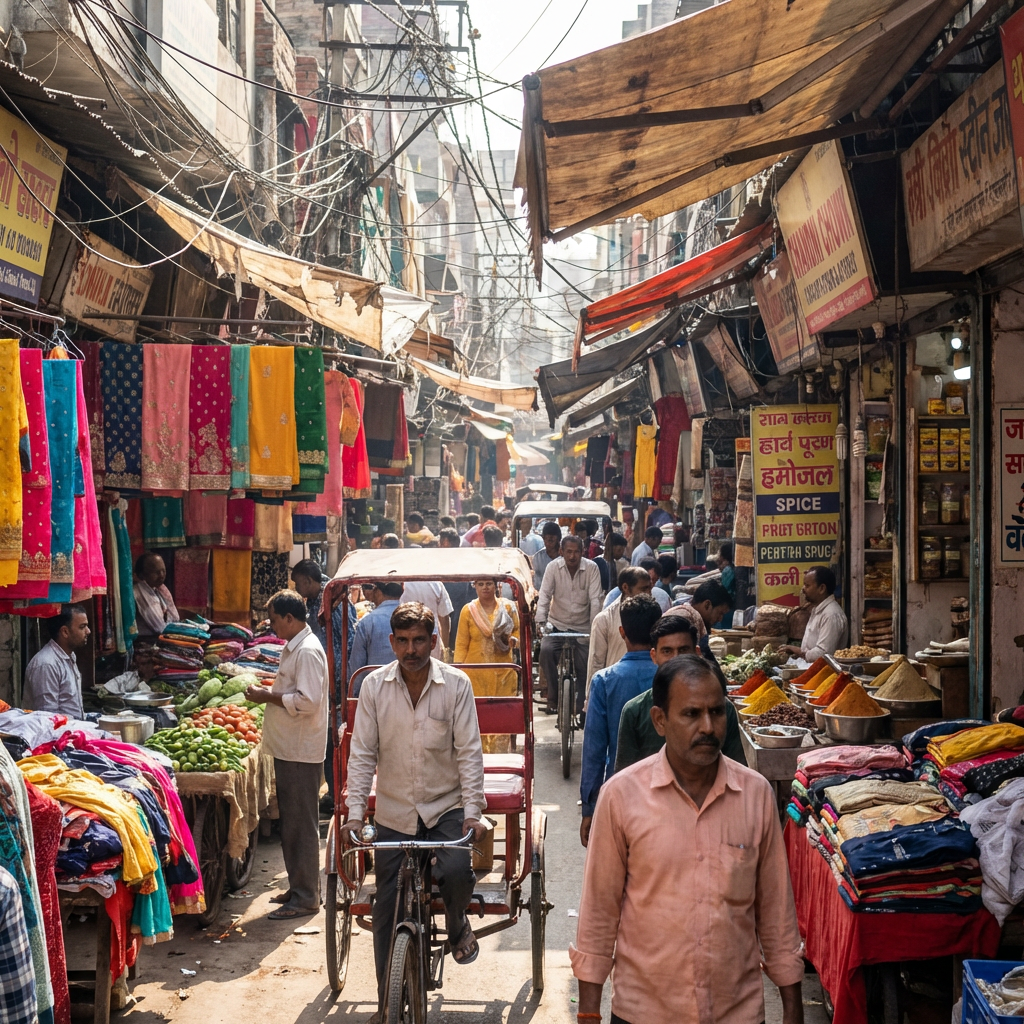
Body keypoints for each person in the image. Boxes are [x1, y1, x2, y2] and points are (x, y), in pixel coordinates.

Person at [572, 655, 805, 1024]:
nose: (708, 727)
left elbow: (776, 910)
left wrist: (793, 1008)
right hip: (643, 1012)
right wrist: (588, 1014)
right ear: (660, 721)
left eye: (717, 712)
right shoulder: (620, 796)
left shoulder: (755, 794)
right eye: (692, 714)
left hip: (736, 1012)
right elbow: (598, 913)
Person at [342, 603, 487, 1013]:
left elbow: (469, 753)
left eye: (419, 640)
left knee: (457, 871)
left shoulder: (456, 685)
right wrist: (356, 813)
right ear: (391, 643)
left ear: (433, 641)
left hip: (446, 807)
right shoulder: (374, 687)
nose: (411, 650)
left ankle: (457, 926)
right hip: (395, 811)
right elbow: (362, 755)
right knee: (385, 905)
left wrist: (473, 811)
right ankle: (387, 1004)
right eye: (403, 641)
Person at [245, 590, 328, 920]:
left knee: (300, 825)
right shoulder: (298, 647)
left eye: (276, 619)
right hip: (291, 747)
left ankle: (306, 896)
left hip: (300, 749)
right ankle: (300, 888)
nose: (273, 625)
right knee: (292, 824)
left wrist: (268, 695)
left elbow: (308, 701)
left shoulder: (307, 651)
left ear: (290, 619)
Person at [579, 595, 662, 847]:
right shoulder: (673, 676)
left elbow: (594, 749)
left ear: (622, 632)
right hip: (669, 792)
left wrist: (589, 808)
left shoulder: (604, 681)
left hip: (620, 793)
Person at [615, 617, 746, 772]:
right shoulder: (634, 711)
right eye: (667, 651)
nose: (676, 659)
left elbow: (736, 771)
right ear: (654, 656)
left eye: (683, 650)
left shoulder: (722, 709)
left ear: (697, 653)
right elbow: (625, 777)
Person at [536, 535, 602, 713]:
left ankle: (582, 707)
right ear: (561, 552)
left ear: (582, 552)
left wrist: (595, 628)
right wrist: (541, 622)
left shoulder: (591, 568)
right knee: (546, 651)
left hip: (583, 627)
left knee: (585, 666)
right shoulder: (553, 568)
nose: (572, 556)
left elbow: (595, 600)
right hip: (557, 624)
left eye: (576, 552)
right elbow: (544, 596)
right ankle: (553, 696)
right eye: (569, 552)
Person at [453, 579, 520, 752]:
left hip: (503, 673)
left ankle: (501, 762)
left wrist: (513, 640)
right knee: (478, 719)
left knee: (502, 717)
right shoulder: (468, 611)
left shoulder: (508, 608)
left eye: (488, 583)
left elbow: (518, 633)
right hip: (476, 675)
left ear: (497, 585)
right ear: (474, 586)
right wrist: (458, 673)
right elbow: (461, 644)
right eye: (481, 584)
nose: (485, 588)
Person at [586, 566, 654, 689]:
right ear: (625, 588)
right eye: (644, 589)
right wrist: (590, 700)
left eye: (650, 588)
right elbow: (596, 663)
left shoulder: (654, 614)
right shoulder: (604, 620)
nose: (648, 593)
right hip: (615, 688)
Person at [23, 605, 90, 718]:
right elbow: (48, 718)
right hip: (57, 733)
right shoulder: (47, 664)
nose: (88, 631)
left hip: (73, 730)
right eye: (82, 627)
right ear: (65, 632)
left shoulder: (69, 656)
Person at [780, 566, 848, 661]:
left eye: (807, 586)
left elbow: (823, 654)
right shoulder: (818, 609)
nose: (803, 589)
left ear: (822, 588)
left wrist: (797, 651)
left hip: (824, 674)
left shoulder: (831, 614)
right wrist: (796, 652)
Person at [348, 581, 404, 687]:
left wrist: (355, 696)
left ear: (378, 592)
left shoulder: (368, 621)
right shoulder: (413, 617)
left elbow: (357, 666)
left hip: (376, 689)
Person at [439, 528, 474, 650]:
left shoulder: (445, 561)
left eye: (441, 541)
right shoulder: (466, 560)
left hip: (454, 606)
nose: (439, 545)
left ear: (446, 542)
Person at [133, 553, 179, 636]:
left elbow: (175, 619)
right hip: (147, 641)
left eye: (163, 571)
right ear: (142, 575)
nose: (161, 575)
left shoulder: (157, 589)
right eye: (156, 572)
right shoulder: (140, 592)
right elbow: (160, 628)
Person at [402, 579, 453, 651]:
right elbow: (444, 618)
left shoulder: (403, 583)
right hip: (432, 640)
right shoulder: (435, 583)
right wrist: (445, 647)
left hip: (407, 639)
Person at [604, 557, 670, 612]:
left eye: (654, 581)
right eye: (649, 579)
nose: (651, 584)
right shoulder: (613, 596)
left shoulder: (662, 596)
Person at [530, 521, 562, 591]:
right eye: (547, 539)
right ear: (543, 539)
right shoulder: (537, 558)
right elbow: (536, 582)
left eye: (551, 540)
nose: (548, 543)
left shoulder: (565, 557)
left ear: (558, 540)